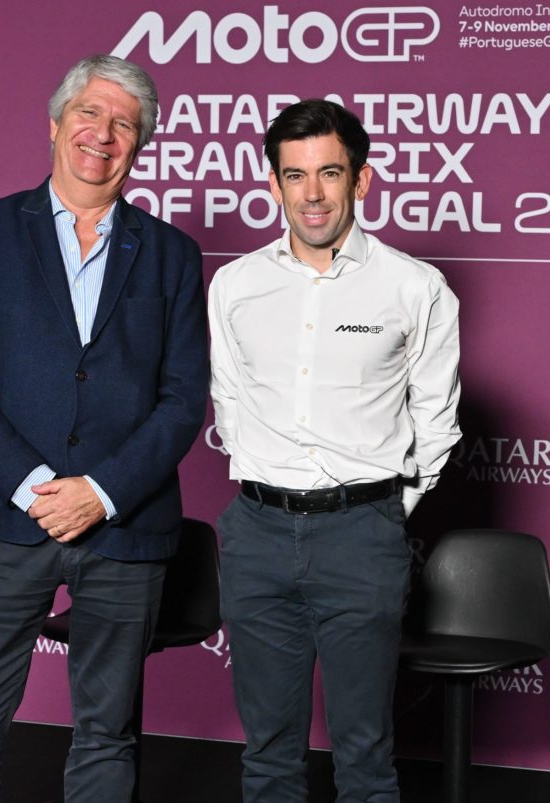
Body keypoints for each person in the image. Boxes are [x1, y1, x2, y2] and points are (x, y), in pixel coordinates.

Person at [0, 54, 209, 803]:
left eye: (124, 124)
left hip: (124, 527)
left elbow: (184, 398)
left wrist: (101, 493)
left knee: (107, 736)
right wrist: (34, 488)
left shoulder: (174, 255)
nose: (103, 134)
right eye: (89, 113)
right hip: (2, 519)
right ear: (55, 124)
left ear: (141, 144)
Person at [208, 99, 461, 802]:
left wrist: (381, 511)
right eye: (295, 175)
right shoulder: (235, 284)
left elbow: (436, 419)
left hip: (361, 535)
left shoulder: (414, 286)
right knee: (267, 754)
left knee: (365, 755)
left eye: (329, 173)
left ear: (361, 179)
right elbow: (228, 397)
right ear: (274, 184)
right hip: (256, 533)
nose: (312, 194)